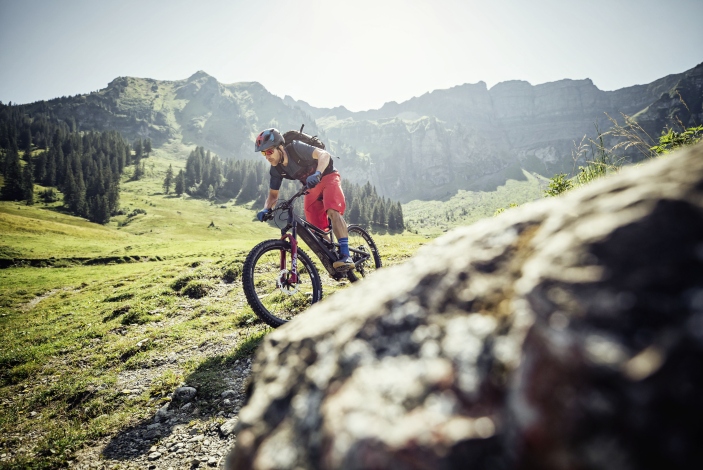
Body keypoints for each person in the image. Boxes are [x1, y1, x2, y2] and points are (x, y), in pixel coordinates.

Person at [254, 128, 354, 271]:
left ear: (280, 147)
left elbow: (324, 155)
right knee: (316, 229)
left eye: (269, 151)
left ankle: (346, 255)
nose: (267, 156)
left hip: (327, 176)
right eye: (263, 153)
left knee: (333, 210)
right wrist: (266, 209)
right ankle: (334, 258)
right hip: (310, 187)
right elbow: (273, 196)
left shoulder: (295, 148)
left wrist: (318, 173)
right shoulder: (276, 170)